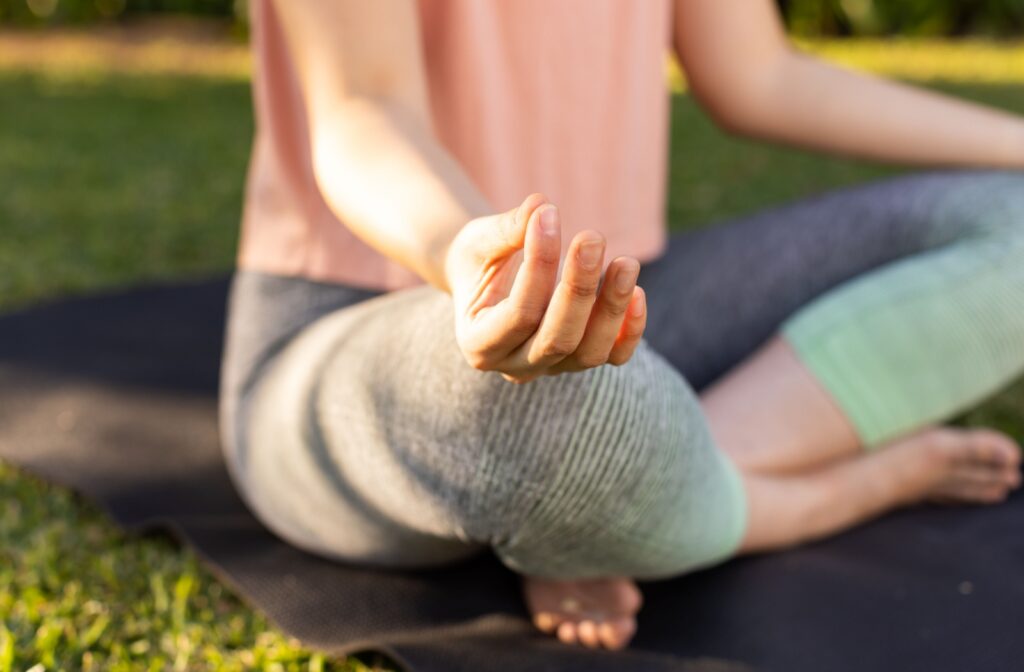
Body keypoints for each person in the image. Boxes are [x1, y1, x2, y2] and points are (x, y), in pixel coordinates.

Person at [219, 0, 1024, 651]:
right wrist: (469, 257)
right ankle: (818, 496)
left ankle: (635, 499)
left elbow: (760, 76)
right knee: (533, 403)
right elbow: (364, 106)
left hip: (627, 300)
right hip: (356, 324)